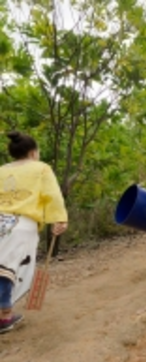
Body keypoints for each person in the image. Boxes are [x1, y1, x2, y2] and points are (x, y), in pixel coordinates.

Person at [0, 131, 68, 334]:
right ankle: (4, 317)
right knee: (9, 270)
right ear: (32, 152)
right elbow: (52, 196)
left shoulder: (2, 169)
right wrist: (59, 219)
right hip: (21, 225)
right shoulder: (41, 169)